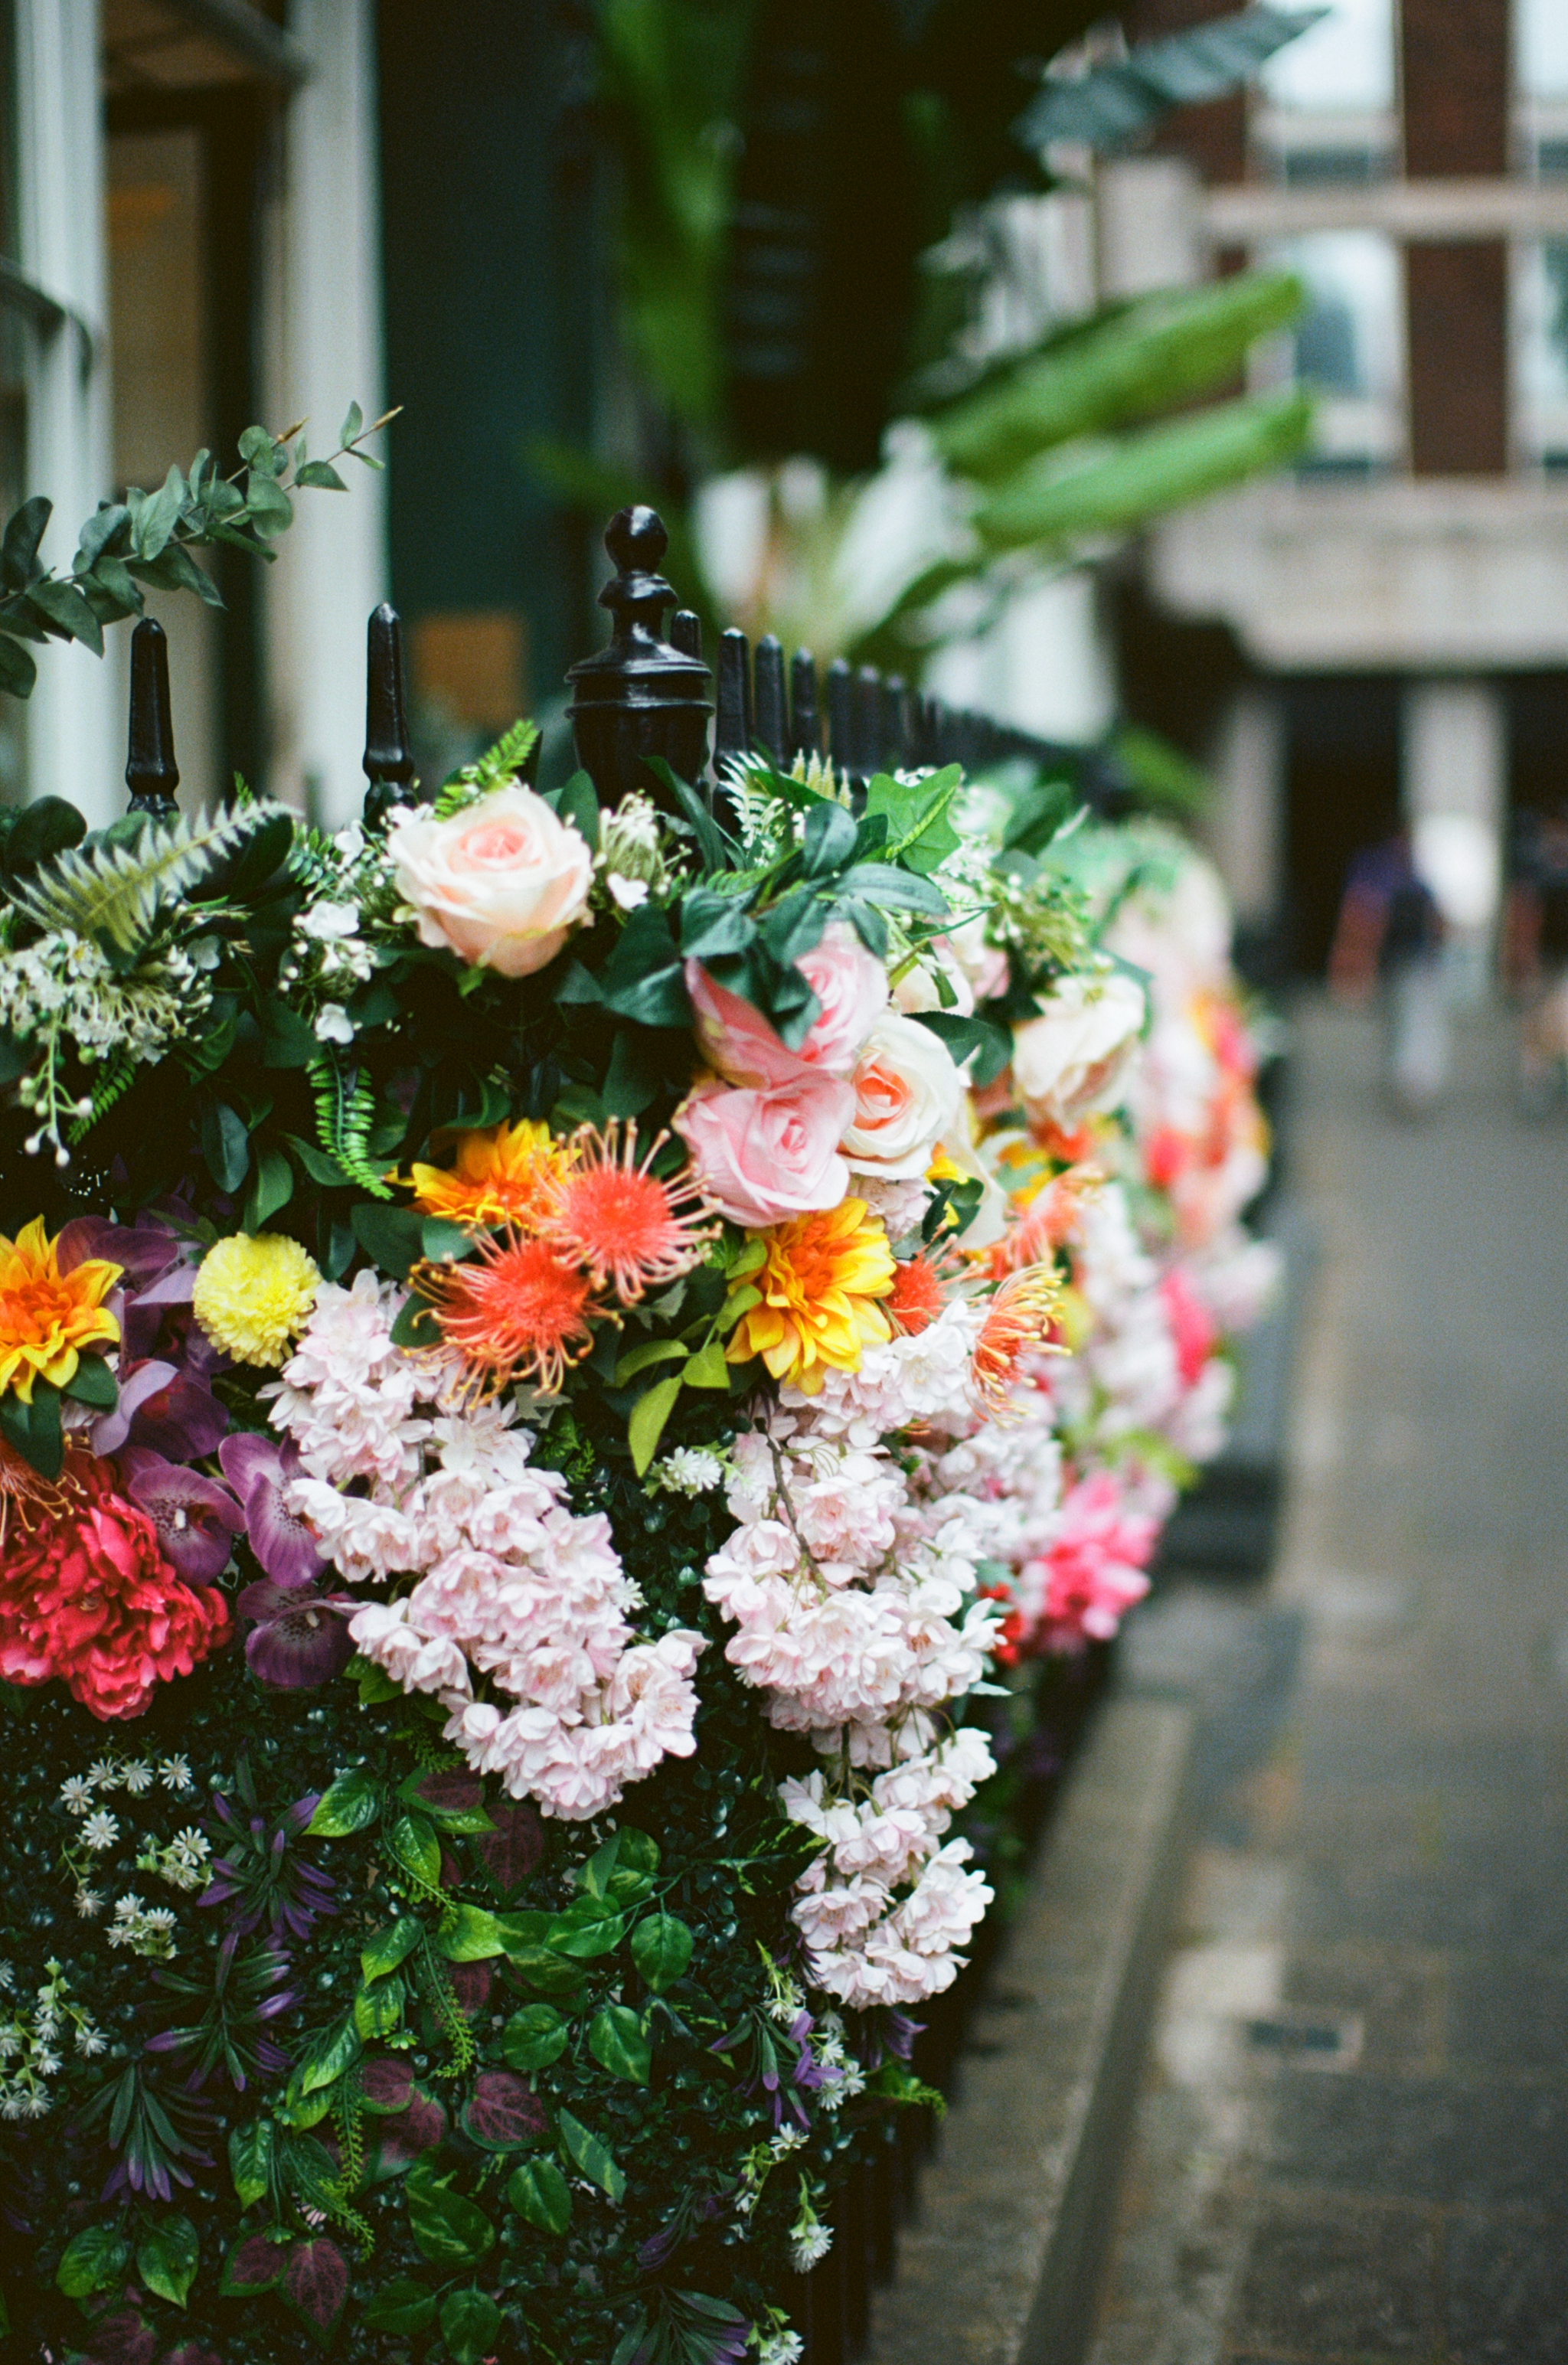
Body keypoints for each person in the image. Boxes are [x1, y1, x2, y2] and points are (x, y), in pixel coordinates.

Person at [1328, 827, 1449, 1114]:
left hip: (1415, 963)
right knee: (1402, 1025)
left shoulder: (1413, 881)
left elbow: (1435, 923)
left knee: (1413, 1025)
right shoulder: (1381, 874)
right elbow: (1363, 923)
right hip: (1398, 963)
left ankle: (1412, 1087)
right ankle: (1406, 1086)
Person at [1501, 802, 1568, 1113]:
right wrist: (1519, 960)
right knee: (1538, 1027)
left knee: (1553, 1026)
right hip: (1544, 959)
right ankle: (1537, 1087)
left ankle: (1545, 1084)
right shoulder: (1536, 865)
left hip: (1555, 960)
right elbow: (1525, 914)